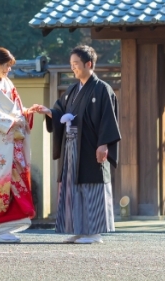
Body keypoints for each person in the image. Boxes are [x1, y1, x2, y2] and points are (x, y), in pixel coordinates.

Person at [36, 45, 121, 244]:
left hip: (91, 146)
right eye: (71, 64)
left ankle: (94, 233)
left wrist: (104, 144)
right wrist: (50, 112)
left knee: (92, 186)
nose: (73, 68)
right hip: (72, 147)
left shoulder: (102, 89)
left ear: (88, 64)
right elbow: (60, 111)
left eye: (76, 64)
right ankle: (80, 230)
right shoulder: (72, 90)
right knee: (73, 187)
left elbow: (109, 120)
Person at [0, 47, 45, 243]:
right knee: (1, 184)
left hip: (13, 142)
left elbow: (16, 110)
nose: (8, 70)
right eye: (6, 66)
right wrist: (11, 122)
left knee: (15, 184)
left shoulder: (8, 83)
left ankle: (6, 227)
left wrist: (27, 112)